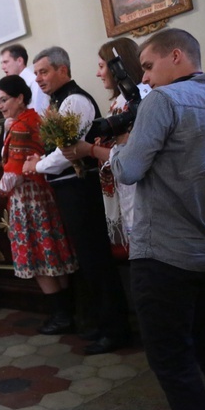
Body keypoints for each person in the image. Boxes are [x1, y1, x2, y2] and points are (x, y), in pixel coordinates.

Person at [110, 28, 205, 410]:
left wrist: (120, 144)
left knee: (170, 357)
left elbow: (129, 170)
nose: (146, 79)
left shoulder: (163, 101)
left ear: (177, 56)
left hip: (164, 255)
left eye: (149, 67)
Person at [22, 47, 131, 354]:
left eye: (44, 72)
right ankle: (101, 322)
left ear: (62, 70)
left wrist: (38, 165)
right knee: (88, 260)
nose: (39, 79)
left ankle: (116, 329)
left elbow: (70, 149)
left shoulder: (76, 100)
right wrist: (41, 158)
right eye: (37, 74)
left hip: (82, 190)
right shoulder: (58, 102)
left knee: (96, 259)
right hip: (69, 190)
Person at [0, 75, 78, 324]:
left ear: (20, 98)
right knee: (52, 254)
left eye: (3, 100)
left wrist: (0, 187)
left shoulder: (21, 125)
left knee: (40, 256)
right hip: (43, 195)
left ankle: (61, 315)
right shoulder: (29, 119)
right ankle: (68, 312)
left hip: (28, 199)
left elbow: (14, 172)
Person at [61, 38, 150, 258]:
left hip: (142, 192)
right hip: (127, 189)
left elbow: (131, 154)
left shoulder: (140, 98)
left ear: (118, 66)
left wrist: (89, 150)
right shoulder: (121, 101)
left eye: (102, 66)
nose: (98, 74)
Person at [0, 44, 50, 115]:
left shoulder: (35, 82)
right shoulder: (15, 84)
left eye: (5, 62)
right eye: (1, 63)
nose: (2, 67)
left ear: (20, 61)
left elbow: (40, 113)